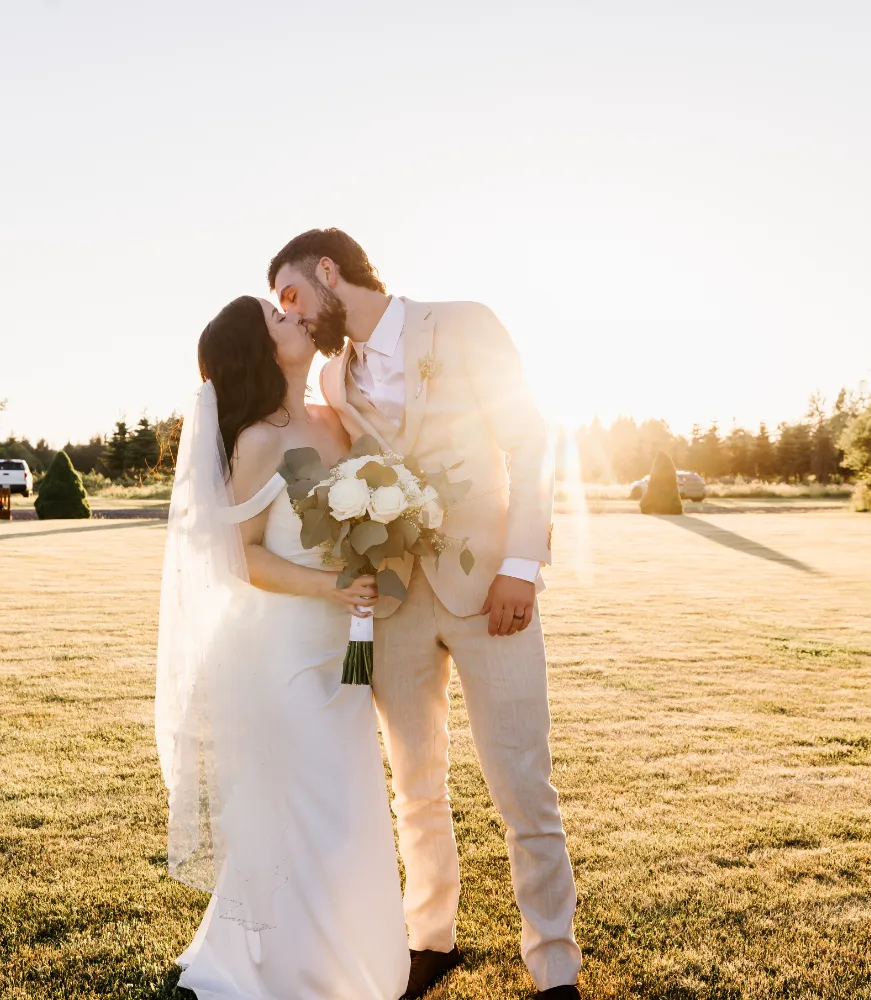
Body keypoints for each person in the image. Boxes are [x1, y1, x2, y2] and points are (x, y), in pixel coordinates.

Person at [269, 229, 583, 1000]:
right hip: (397, 601)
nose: (295, 317)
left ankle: (554, 965)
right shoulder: (336, 382)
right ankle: (430, 939)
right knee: (414, 783)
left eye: (291, 296)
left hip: (490, 593)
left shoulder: (466, 322)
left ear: (329, 271)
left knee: (521, 783)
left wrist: (521, 565)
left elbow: (530, 442)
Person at [157, 295, 408, 999]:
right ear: (261, 351)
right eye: (277, 317)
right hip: (286, 651)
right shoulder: (258, 439)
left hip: (349, 644)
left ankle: (350, 956)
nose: (295, 318)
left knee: (351, 803)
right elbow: (239, 558)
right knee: (304, 801)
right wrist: (329, 584)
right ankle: (284, 970)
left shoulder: (334, 417)